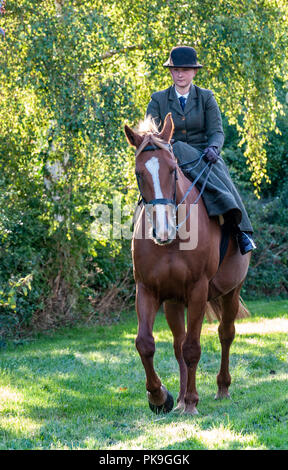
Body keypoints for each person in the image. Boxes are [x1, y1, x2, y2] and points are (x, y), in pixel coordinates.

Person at [146, 45, 256, 255]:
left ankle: (241, 231)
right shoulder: (157, 99)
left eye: (185, 70)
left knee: (226, 186)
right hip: (168, 154)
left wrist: (214, 147)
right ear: (170, 71)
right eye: (176, 69)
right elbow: (151, 133)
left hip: (202, 155)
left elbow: (216, 131)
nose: (180, 74)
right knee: (149, 180)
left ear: (194, 72)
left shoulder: (206, 97)